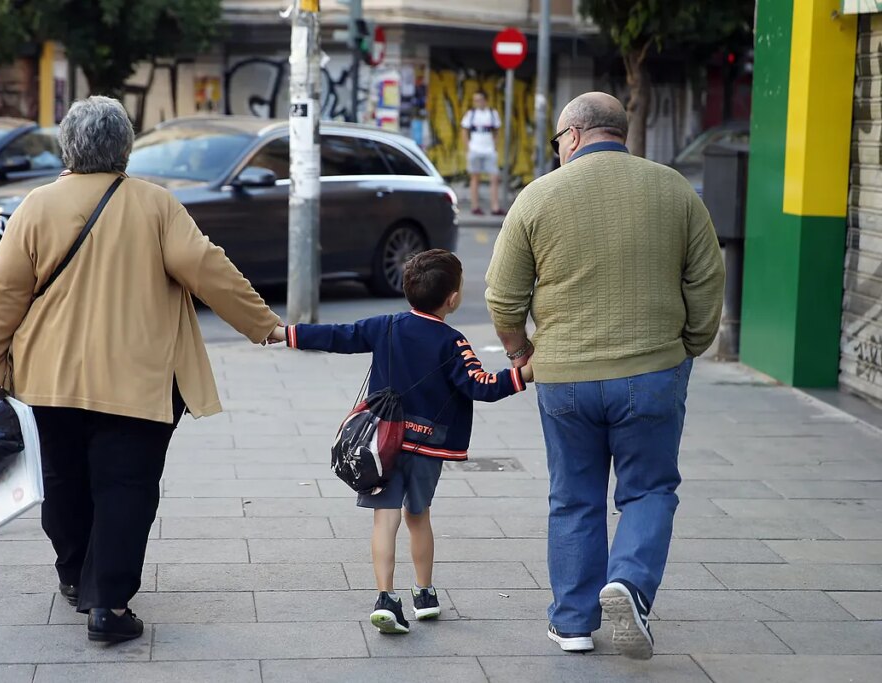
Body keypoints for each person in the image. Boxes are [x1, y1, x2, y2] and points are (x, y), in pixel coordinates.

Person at [0, 96, 281, 643]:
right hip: (139, 383)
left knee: (62, 482)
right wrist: (264, 325)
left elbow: (1, 297)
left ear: (68, 145)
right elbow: (208, 268)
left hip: (49, 380)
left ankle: (73, 576)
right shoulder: (157, 206)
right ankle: (107, 605)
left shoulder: (35, 207)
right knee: (126, 488)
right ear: (125, 149)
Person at [485, 92, 725, 659]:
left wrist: (521, 352)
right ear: (621, 132)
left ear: (571, 136)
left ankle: (572, 622)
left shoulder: (538, 196)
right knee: (649, 489)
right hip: (652, 369)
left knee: (574, 496)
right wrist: (687, 346)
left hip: (565, 377)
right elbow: (707, 283)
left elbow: (503, 296)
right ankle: (630, 586)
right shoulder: (674, 190)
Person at [271, 249, 533, 634]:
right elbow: (480, 387)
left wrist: (284, 333)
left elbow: (337, 335)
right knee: (418, 515)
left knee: (385, 518)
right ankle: (424, 594)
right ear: (453, 298)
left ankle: (385, 599)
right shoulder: (453, 343)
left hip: (382, 446)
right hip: (429, 447)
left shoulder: (387, 326)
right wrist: (525, 373)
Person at [461, 91, 503, 216]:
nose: (477, 102)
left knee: (494, 178)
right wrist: (468, 147)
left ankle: (495, 207)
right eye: (475, 100)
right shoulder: (471, 114)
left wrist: (494, 146)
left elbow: (496, 131)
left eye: (479, 99)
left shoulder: (492, 114)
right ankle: (475, 206)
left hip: (489, 150)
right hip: (475, 150)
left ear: (485, 100)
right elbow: (464, 131)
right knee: (475, 178)